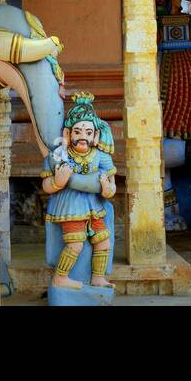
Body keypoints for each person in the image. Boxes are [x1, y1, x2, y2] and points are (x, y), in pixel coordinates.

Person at [42, 93, 116, 289]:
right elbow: (46, 185)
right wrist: (57, 183)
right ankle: (60, 277)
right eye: (78, 131)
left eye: (88, 133)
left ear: (95, 136)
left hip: (95, 206)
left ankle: (98, 277)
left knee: (103, 243)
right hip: (70, 206)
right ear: (68, 134)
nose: (83, 136)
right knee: (75, 244)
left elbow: (112, 185)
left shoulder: (101, 156)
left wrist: (108, 189)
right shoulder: (60, 155)